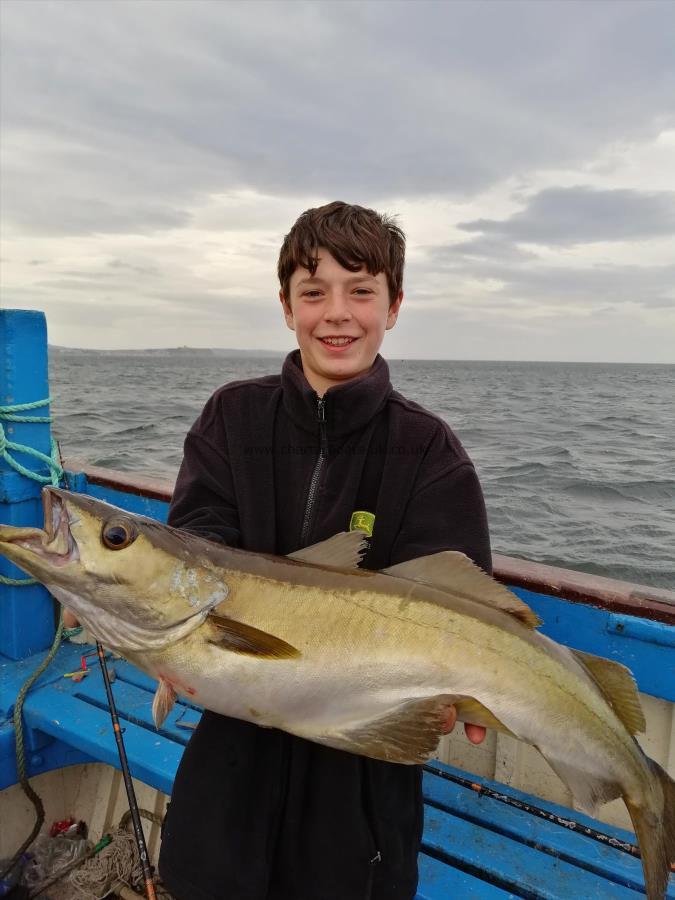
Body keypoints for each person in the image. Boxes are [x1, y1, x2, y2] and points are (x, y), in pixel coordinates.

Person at [158, 201, 491, 900]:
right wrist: (174, 636)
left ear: (393, 306)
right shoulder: (231, 416)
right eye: (313, 292)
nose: (336, 314)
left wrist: (453, 695)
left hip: (360, 788)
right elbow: (195, 543)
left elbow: (455, 598)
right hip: (230, 765)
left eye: (360, 291)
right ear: (286, 306)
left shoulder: (428, 451)